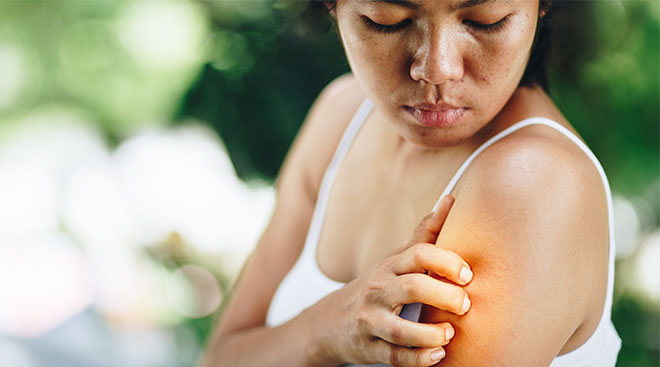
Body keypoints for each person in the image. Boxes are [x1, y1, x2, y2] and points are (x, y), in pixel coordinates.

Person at [202, 0, 621, 365]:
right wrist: (327, 329)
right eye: (387, 20)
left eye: (485, 20)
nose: (437, 69)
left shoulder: (532, 181)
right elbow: (220, 358)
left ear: (540, 6)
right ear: (333, 7)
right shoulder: (341, 115)